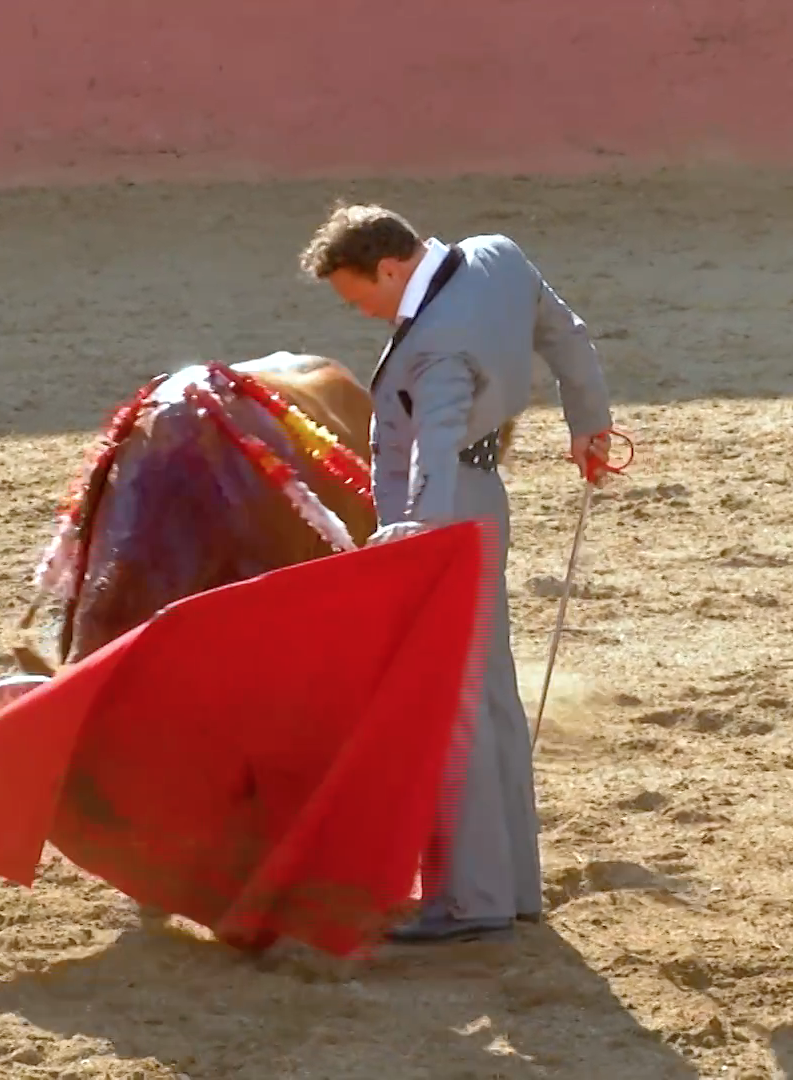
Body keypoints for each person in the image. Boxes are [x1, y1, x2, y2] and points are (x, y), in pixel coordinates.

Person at [298, 202, 616, 944]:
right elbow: (566, 336)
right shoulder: (496, 256)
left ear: (390, 267)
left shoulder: (434, 347)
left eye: (360, 297)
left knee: (454, 701)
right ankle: (512, 890)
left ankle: (471, 901)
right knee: (492, 694)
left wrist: (412, 537)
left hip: (450, 516)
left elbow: (435, 445)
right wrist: (588, 424)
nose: (363, 312)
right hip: (485, 501)